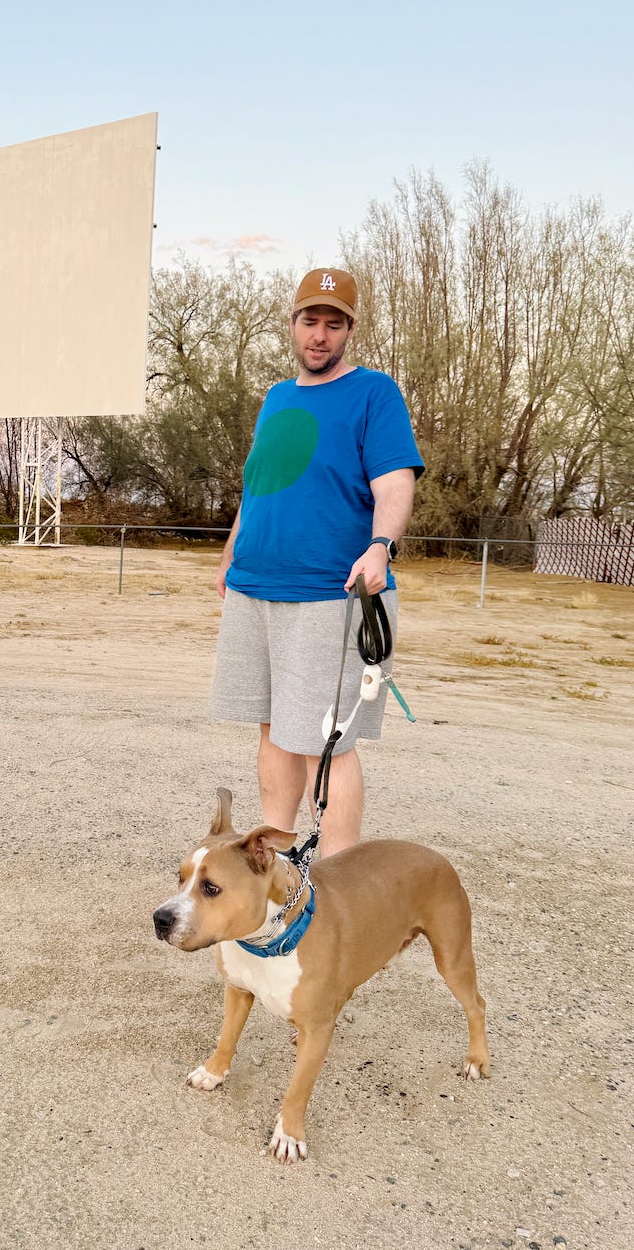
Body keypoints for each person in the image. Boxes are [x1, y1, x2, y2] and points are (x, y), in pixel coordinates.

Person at [209, 268, 424, 857]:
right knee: (272, 728)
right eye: (311, 321)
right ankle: (274, 859)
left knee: (326, 740)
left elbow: (395, 482)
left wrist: (381, 545)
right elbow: (262, 485)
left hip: (332, 593)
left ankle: (339, 876)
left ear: (350, 329)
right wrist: (232, 553)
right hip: (256, 587)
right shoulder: (277, 398)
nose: (320, 335)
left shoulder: (374, 393)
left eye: (334, 323)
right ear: (293, 325)